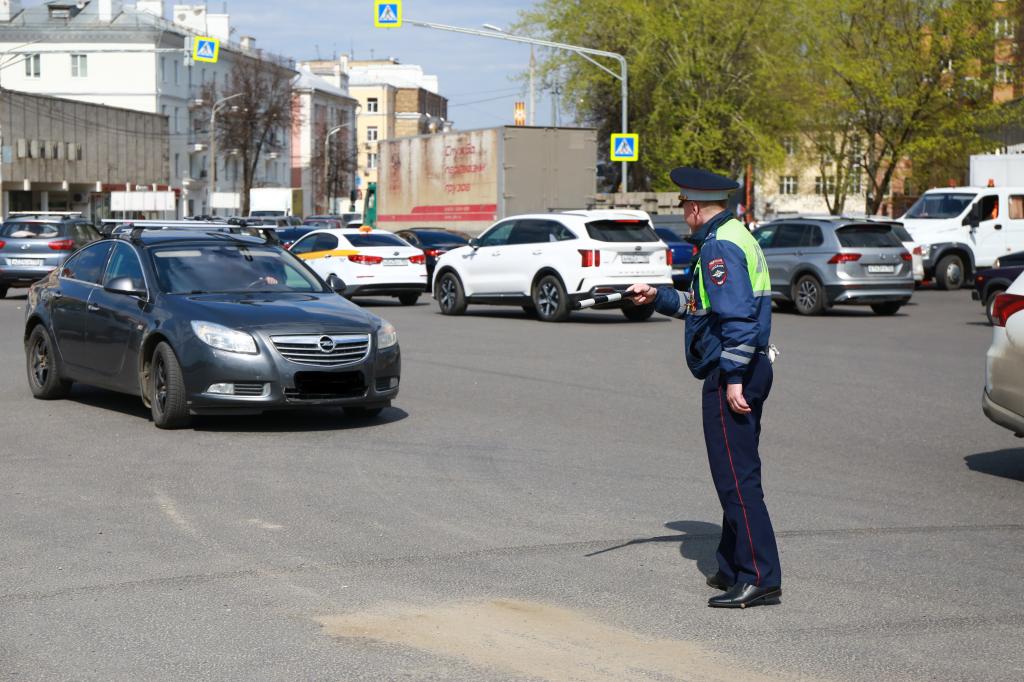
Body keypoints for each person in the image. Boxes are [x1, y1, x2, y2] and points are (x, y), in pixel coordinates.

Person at [628, 167, 782, 609]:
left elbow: (737, 319)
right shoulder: (735, 234)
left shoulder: (719, 247)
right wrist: (656, 296)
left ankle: (760, 576)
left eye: (683, 206)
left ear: (695, 208)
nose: (683, 213)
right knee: (735, 474)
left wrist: (733, 377)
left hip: (735, 372)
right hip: (747, 366)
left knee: (737, 479)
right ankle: (733, 566)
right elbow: (702, 306)